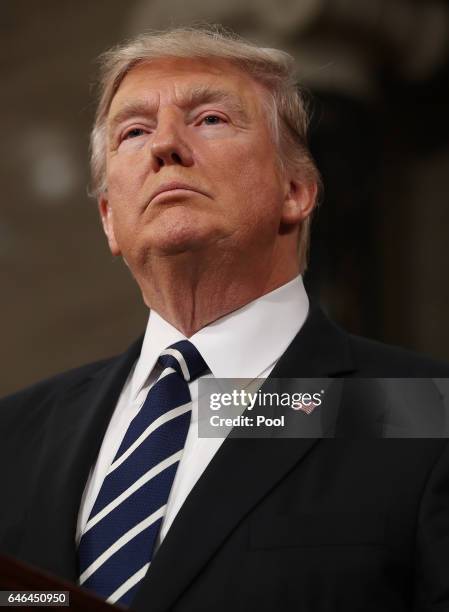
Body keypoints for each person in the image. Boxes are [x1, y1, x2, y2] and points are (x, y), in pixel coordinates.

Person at [1, 26, 448, 611]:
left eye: (210, 119)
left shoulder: (422, 412)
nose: (165, 146)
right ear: (110, 219)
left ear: (296, 190)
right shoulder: (13, 436)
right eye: (134, 131)